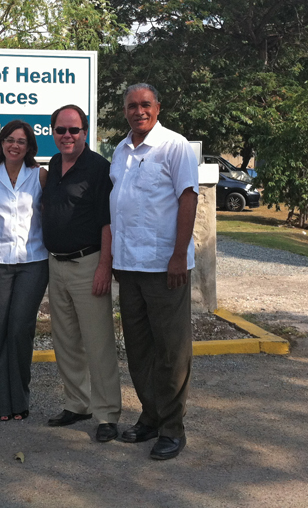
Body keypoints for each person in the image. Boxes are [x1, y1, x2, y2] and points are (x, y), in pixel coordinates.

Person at [109, 83, 199, 461]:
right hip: (128, 267)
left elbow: (189, 197)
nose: (138, 111)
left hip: (165, 267)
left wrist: (179, 254)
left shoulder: (174, 146)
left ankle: (172, 429)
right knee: (139, 349)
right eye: (132, 105)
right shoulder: (120, 149)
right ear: (125, 110)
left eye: (145, 104)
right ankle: (150, 416)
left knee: (171, 351)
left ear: (158, 107)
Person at [41, 104, 121, 442]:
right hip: (55, 264)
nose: (67, 136)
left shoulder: (99, 168)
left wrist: (105, 267)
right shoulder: (55, 164)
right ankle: (78, 403)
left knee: (98, 341)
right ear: (53, 133)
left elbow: (108, 221)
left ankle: (106, 415)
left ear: (85, 132)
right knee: (66, 341)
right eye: (61, 130)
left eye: (74, 130)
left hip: (89, 264)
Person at [0, 121, 49, 421]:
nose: (15, 145)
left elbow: (55, 211)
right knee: (2, 331)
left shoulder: (40, 175)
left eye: (21, 141)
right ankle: (3, 405)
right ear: (2, 143)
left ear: (30, 146)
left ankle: (20, 399)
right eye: (9, 140)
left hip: (33, 262)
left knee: (21, 329)